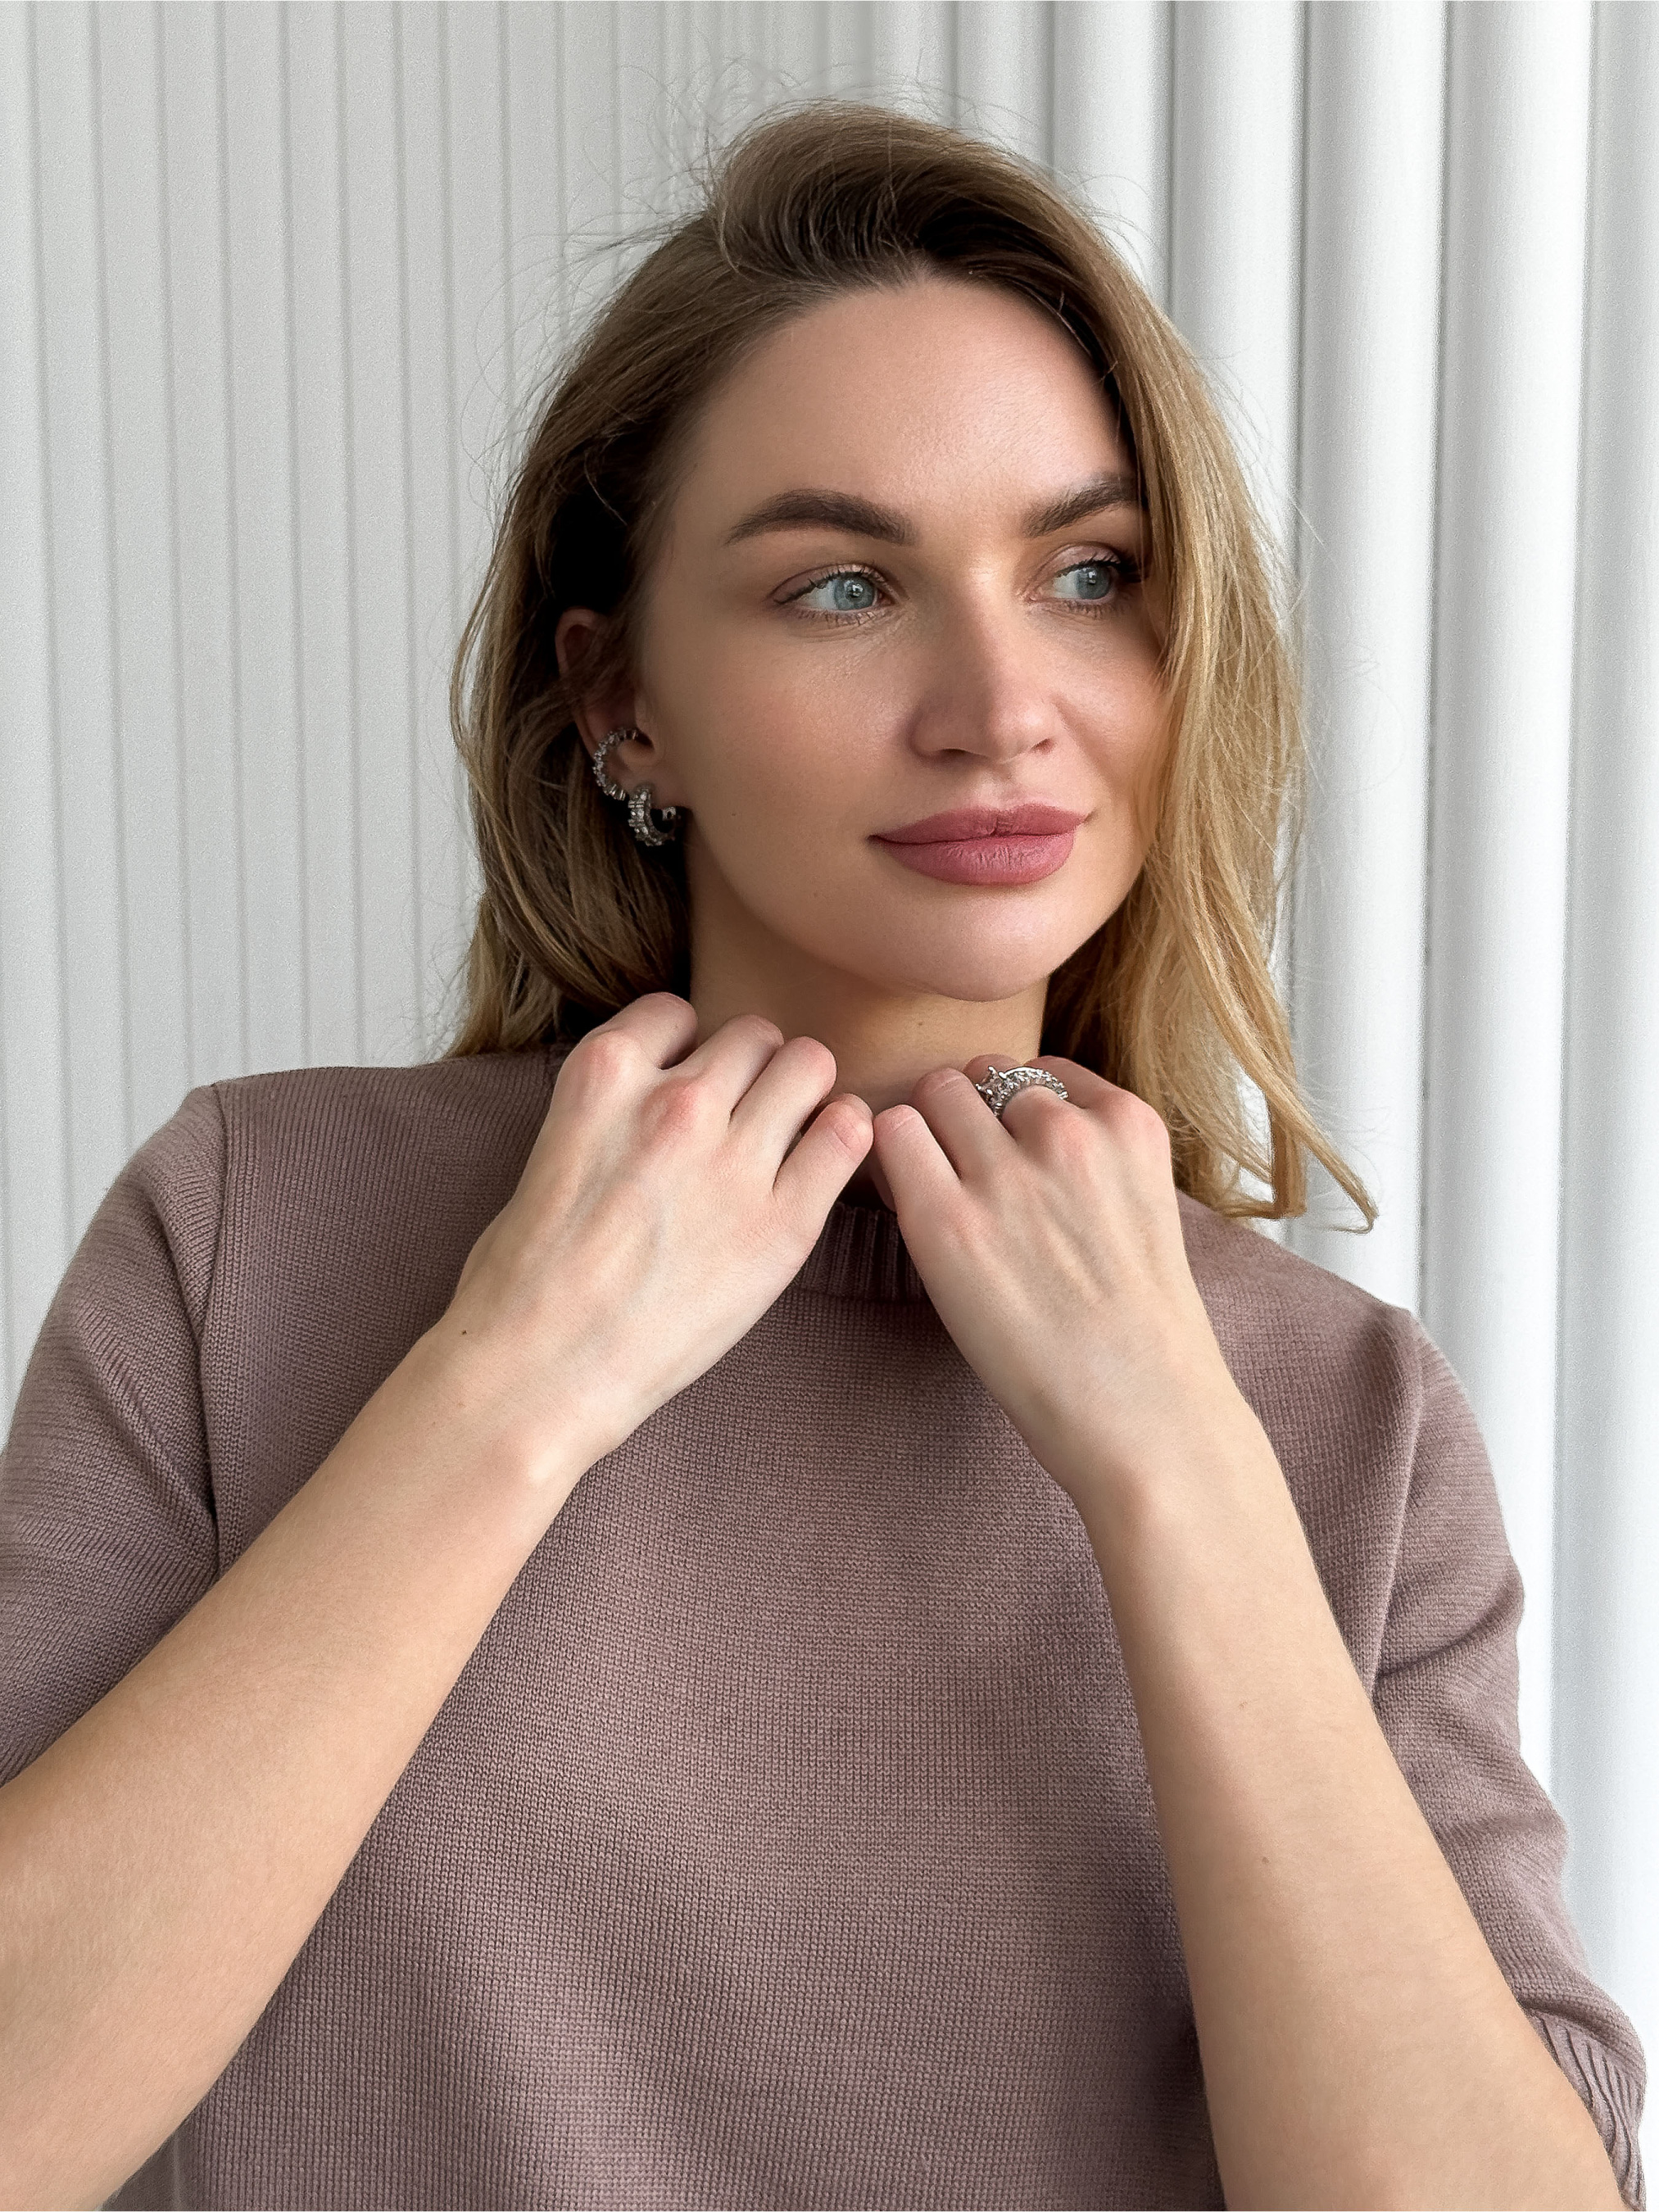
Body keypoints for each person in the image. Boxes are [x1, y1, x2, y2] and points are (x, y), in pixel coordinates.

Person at [0, 97, 1643, 2212]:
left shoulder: (1338, 1412)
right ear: (621, 704)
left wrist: (1176, 1466)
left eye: (1089, 574)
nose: (998, 704)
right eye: (844, 585)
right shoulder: (257, 1235)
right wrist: (515, 1382)